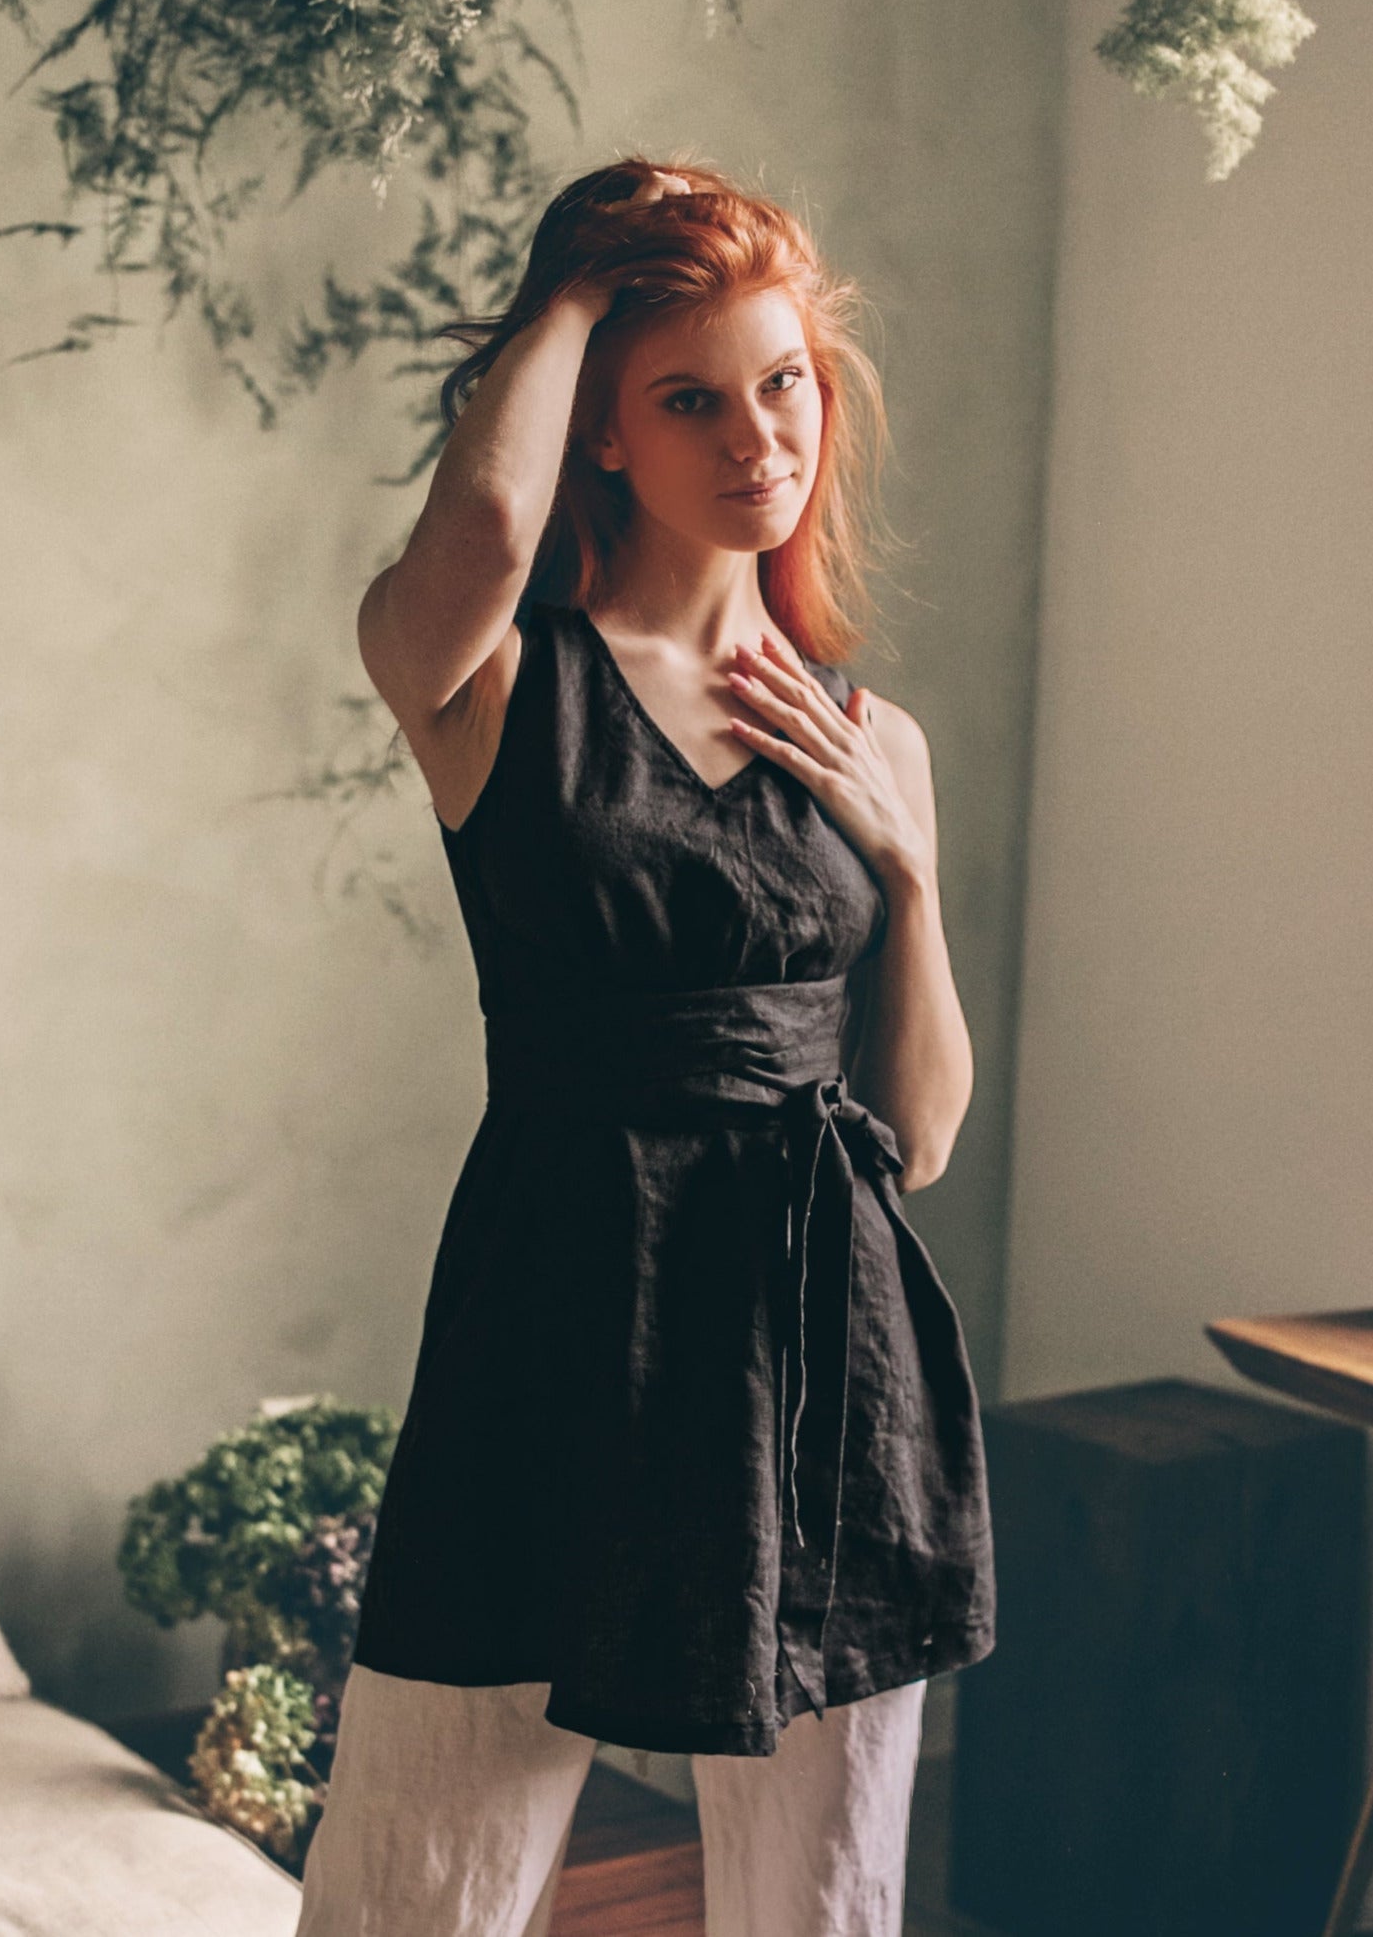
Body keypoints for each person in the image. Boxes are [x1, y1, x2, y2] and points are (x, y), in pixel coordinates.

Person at [294, 155, 996, 1937]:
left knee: (819, 1900)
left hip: (821, 1347)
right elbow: (473, 540)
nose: (761, 436)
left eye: (783, 382)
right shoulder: (492, 683)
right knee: (415, 1883)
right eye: (688, 399)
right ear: (599, 429)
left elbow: (912, 1138)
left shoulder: (872, 733)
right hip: (557, 1328)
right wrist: (579, 295)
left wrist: (906, 878)